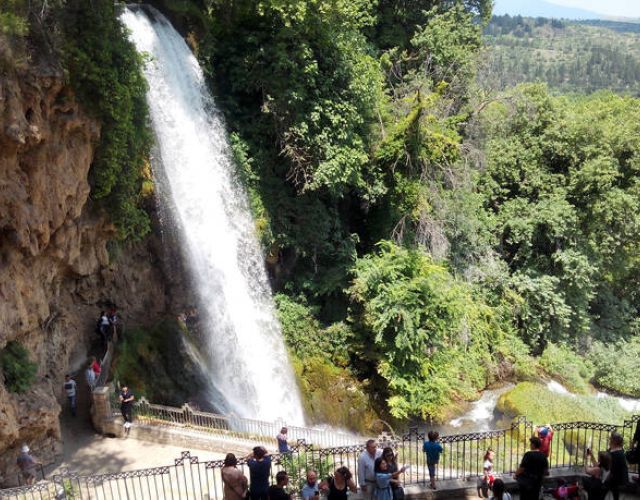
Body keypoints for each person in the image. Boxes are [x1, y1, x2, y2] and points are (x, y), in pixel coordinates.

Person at [605, 432, 628, 500]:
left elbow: (612, 467)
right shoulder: (620, 450)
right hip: (619, 476)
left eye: (611, 439)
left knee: (605, 486)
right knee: (614, 489)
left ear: (614, 441)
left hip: (615, 476)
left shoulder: (615, 453)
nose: (609, 440)